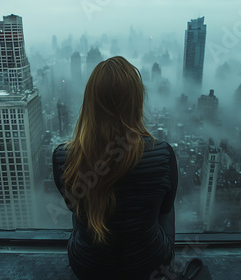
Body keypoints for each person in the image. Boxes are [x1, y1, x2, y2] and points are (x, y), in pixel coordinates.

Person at [52, 56, 177, 279]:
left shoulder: (63, 157)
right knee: (163, 205)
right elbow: (165, 210)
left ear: (89, 103)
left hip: (87, 267)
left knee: (83, 209)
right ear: (137, 101)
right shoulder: (163, 154)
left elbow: (73, 208)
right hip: (150, 266)